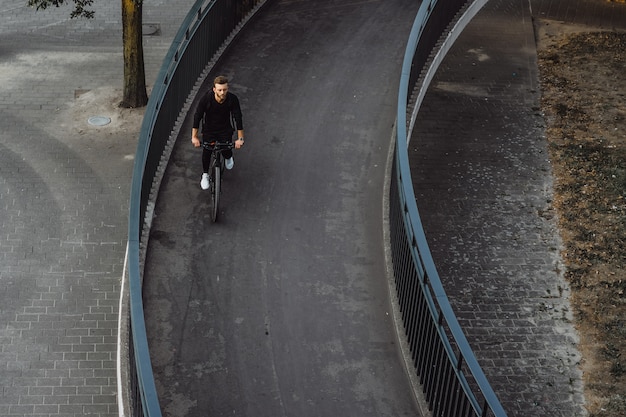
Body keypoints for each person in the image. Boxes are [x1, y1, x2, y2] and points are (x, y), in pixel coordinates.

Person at [192, 75, 245, 190]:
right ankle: (205, 174)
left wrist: (240, 138)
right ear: (214, 89)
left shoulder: (232, 99)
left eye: (225, 89)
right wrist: (194, 137)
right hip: (209, 130)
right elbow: (197, 116)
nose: (222, 92)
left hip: (225, 129)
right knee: (207, 151)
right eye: (220, 90)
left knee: (226, 148)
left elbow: (238, 117)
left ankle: (228, 156)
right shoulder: (206, 99)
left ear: (228, 88)